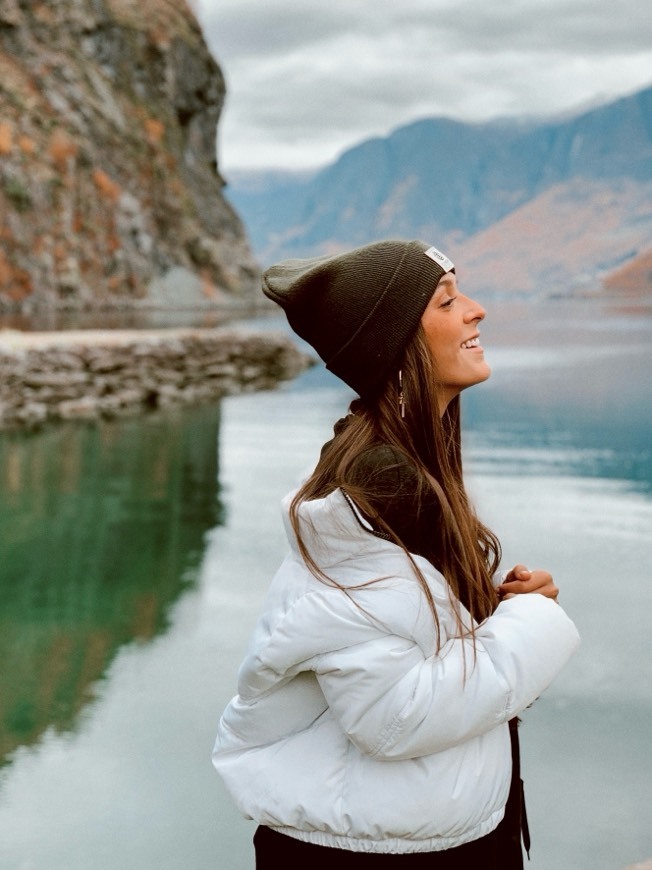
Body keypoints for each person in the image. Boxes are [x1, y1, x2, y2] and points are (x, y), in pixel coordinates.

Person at [212, 240, 580, 868]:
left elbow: (391, 635)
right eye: (448, 300)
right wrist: (530, 628)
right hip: (373, 852)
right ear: (396, 341)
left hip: (397, 834)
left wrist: (488, 614)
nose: (477, 311)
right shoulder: (382, 483)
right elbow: (395, 716)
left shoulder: (403, 466)